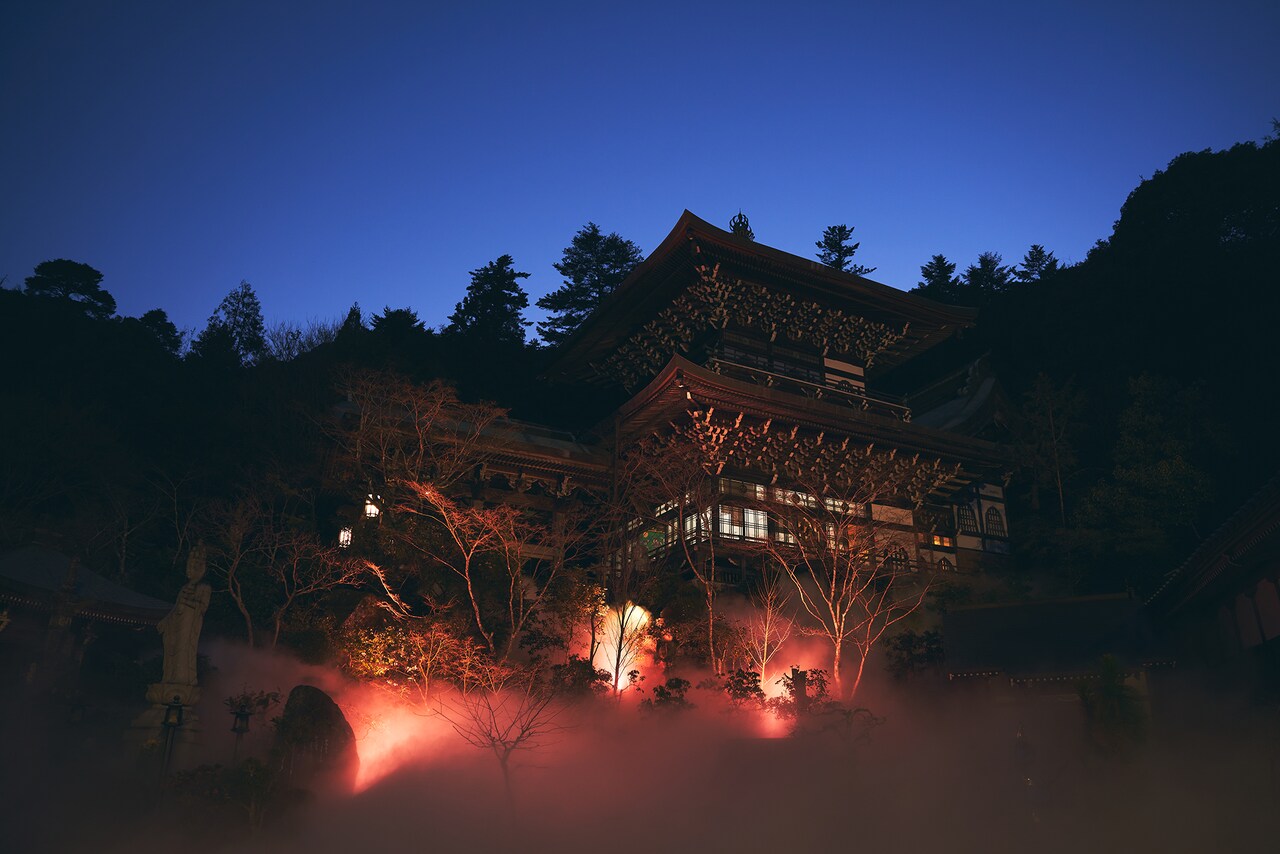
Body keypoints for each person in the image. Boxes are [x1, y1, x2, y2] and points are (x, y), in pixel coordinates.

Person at [157, 542, 212, 686]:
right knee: (172, 651)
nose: (191, 569)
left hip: (189, 626)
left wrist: (187, 603)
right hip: (176, 623)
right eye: (189, 565)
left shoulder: (204, 587)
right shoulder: (183, 588)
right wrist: (165, 621)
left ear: (203, 568)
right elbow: (175, 608)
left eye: (196, 566)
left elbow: (202, 607)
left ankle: (183, 680)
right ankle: (169, 678)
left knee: (183, 651)